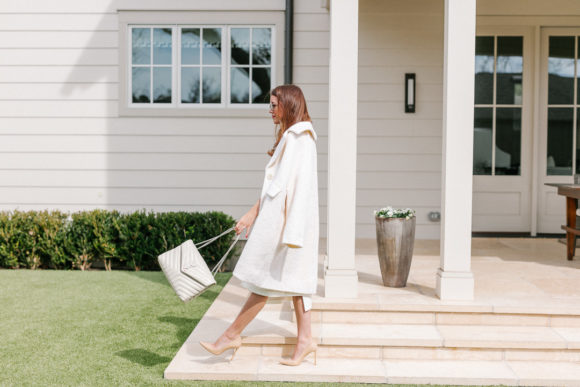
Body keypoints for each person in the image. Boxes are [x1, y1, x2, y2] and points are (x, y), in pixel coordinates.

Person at [199, 84, 319, 366]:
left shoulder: (298, 137)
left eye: (274, 105)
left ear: (288, 105)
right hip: (292, 220)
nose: (270, 110)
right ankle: (305, 339)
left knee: (265, 280)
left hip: (287, 221)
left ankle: (230, 336)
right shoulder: (298, 137)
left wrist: (256, 216)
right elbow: (282, 186)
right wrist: (255, 215)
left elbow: (281, 188)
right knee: (296, 279)